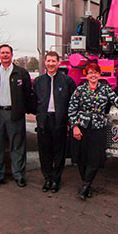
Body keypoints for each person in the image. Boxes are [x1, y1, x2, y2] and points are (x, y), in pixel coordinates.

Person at [68, 62, 118, 200]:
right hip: (82, 127)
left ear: (99, 74)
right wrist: (75, 126)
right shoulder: (79, 90)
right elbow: (72, 108)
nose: (93, 75)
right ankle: (88, 185)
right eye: (90, 72)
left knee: (95, 158)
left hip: (98, 128)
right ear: (86, 75)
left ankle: (85, 186)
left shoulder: (105, 89)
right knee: (81, 158)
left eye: (95, 72)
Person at [0, 44, 33, 189]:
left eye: (7, 53)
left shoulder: (21, 73)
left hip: (14, 114)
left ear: (12, 55)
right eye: (2, 53)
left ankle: (19, 175)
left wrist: (20, 109)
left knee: (17, 146)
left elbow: (27, 93)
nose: (5, 55)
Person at [32, 51, 76, 193]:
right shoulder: (38, 81)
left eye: (53, 61)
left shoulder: (67, 81)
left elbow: (73, 102)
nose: (51, 64)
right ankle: (47, 179)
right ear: (45, 63)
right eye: (48, 61)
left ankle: (56, 180)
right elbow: (34, 101)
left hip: (60, 122)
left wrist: (69, 119)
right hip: (44, 121)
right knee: (45, 152)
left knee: (59, 152)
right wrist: (39, 117)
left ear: (58, 63)